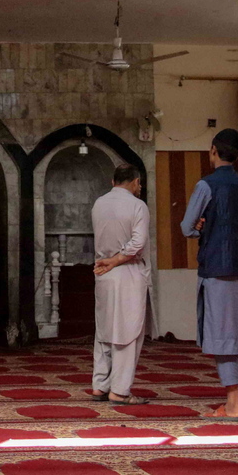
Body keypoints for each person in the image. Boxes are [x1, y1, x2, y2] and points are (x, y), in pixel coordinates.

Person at [181, 129, 238, 420]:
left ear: (213, 150)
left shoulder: (207, 185)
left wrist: (199, 228)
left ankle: (232, 403)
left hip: (217, 267)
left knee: (224, 336)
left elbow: (187, 227)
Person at [89, 164, 151, 405]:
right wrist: (116, 260)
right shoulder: (138, 205)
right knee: (128, 332)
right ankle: (120, 390)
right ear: (135, 182)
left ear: (112, 181)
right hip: (127, 271)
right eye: (139, 183)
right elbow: (138, 243)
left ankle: (100, 385)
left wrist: (109, 261)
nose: (140, 187)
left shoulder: (99, 203)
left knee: (104, 331)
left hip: (103, 271)